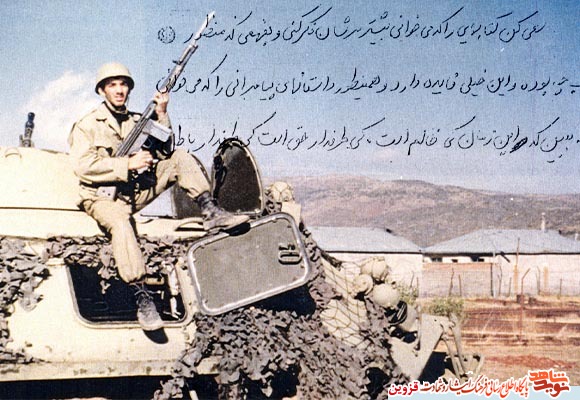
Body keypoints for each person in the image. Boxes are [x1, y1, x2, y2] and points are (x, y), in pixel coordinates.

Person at [68, 62, 249, 330]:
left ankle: (210, 210)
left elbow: (165, 151)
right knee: (120, 223)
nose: (119, 90)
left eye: (123, 84)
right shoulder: (88, 125)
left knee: (180, 158)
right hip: (100, 197)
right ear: (102, 90)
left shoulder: (137, 121)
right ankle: (141, 294)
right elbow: (83, 166)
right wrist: (127, 164)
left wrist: (162, 113)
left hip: (133, 192)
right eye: (112, 85)